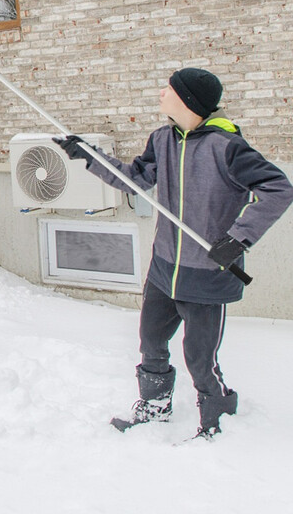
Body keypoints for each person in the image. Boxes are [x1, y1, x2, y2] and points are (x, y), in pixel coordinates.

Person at [55, 67, 293, 439]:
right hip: (165, 269)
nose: (161, 94)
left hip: (206, 275)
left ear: (188, 101)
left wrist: (238, 238)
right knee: (151, 343)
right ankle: (154, 406)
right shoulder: (163, 140)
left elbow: (278, 189)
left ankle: (216, 417)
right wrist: (88, 155)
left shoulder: (227, 148)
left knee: (200, 358)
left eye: (169, 89)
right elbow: (135, 178)